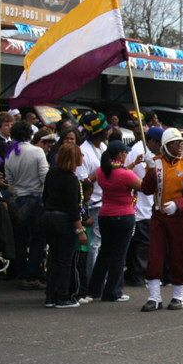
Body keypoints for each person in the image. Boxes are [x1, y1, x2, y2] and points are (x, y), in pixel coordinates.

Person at [140, 128, 183, 312]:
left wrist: (178, 204)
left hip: (180, 216)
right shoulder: (155, 163)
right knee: (155, 255)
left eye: (181, 143)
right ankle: (154, 297)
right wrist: (150, 171)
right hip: (159, 215)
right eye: (175, 143)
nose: (180, 146)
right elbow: (146, 189)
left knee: (178, 255)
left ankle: (178, 295)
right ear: (165, 146)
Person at [87, 140, 141, 302]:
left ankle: (95, 288)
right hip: (123, 215)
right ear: (120, 155)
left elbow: (117, 173)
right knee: (119, 255)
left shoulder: (102, 170)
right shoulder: (124, 174)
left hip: (105, 214)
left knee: (105, 252)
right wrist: (152, 171)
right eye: (125, 153)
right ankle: (113, 291)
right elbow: (144, 187)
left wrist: (133, 164)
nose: (126, 155)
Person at [4, 121, 49, 291]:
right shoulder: (37, 151)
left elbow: (9, 180)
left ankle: (21, 273)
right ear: (30, 135)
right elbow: (44, 177)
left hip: (17, 199)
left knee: (20, 240)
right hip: (35, 198)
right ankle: (32, 274)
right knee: (38, 239)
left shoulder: (10, 153)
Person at [43, 144, 88, 308]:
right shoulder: (71, 179)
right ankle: (63, 296)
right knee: (65, 260)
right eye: (80, 155)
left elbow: (45, 196)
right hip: (65, 220)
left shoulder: (52, 173)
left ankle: (50, 295)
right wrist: (80, 230)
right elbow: (73, 208)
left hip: (49, 216)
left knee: (54, 258)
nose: (82, 157)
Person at [124, 127, 162, 289]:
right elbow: (142, 179)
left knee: (143, 243)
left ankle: (136, 273)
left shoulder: (148, 152)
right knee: (142, 243)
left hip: (147, 204)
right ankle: (137, 275)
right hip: (140, 205)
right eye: (159, 144)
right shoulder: (140, 151)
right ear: (152, 141)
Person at [75, 113, 109, 281]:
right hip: (93, 205)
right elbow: (81, 181)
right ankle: (92, 282)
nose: (109, 131)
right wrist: (99, 173)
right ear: (99, 132)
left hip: (105, 203)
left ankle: (102, 281)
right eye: (106, 129)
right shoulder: (83, 152)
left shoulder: (103, 147)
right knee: (94, 246)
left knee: (103, 246)